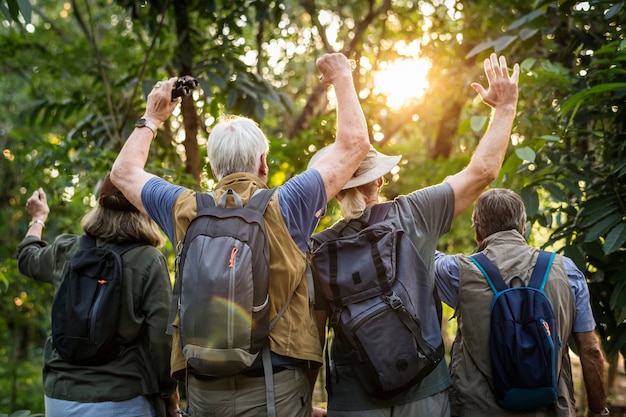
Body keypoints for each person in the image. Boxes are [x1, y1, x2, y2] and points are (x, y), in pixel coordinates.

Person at [109, 52, 370, 417]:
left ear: (215, 167)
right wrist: (342, 76)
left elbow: (122, 174)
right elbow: (354, 145)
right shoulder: (289, 203)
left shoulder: (183, 208)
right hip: (276, 389)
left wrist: (153, 117)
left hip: (202, 390)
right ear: (263, 162)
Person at [308, 53, 520, 417]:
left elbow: (313, 333)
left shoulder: (319, 247)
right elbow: (483, 170)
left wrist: (306, 401)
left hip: (354, 400)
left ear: (337, 189)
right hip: (424, 391)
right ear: (379, 179)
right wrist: (504, 107)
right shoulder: (416, 212)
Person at [434, 188, 609, 417]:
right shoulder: (567, 271)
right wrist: (598, 412)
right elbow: (591, 350)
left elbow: (419, 247)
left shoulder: (457, 272)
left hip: (478, 409)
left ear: (477, 231)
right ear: (523, 227)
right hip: (551, 410)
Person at [15, 175, 179, 417]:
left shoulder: (68, 249)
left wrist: (38, 219)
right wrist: (169, 394)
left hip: (60, 396)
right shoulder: (148, 260)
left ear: (99, 206)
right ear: (145, 209)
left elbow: (27, 258)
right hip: (123, 397)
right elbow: (161, 340)